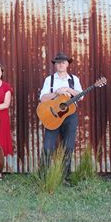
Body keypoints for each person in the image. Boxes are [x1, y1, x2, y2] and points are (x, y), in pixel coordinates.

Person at [39, 52, 83, 183]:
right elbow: (42, 98)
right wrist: (56, 93)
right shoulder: (50, 79)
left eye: (63, 62)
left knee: (68, 147)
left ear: (68, 64)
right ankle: (44, 178)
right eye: (58, 62)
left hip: (70, 116)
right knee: (48, 147)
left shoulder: (74, 79)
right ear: (55, 65)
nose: (61, 65)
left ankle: (65, 177)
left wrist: (69, 90)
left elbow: (81, 96)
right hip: (53, 116)